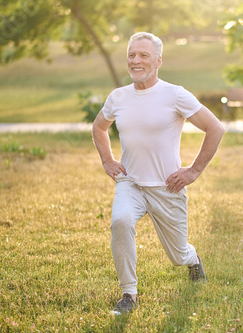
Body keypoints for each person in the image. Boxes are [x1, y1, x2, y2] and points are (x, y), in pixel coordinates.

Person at [92, 32, 225, 314]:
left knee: (177, 255)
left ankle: (192, 259)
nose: (136, 61)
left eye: (143, 55)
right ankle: (129, 293)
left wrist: (193, 171)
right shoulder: (118, 97)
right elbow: (99, 127)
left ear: (158, 61)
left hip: (168, 186)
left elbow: (215, 128)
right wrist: (108, 161)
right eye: (131, 55)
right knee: (121, 222)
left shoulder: (175, 94)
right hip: (130, 183)